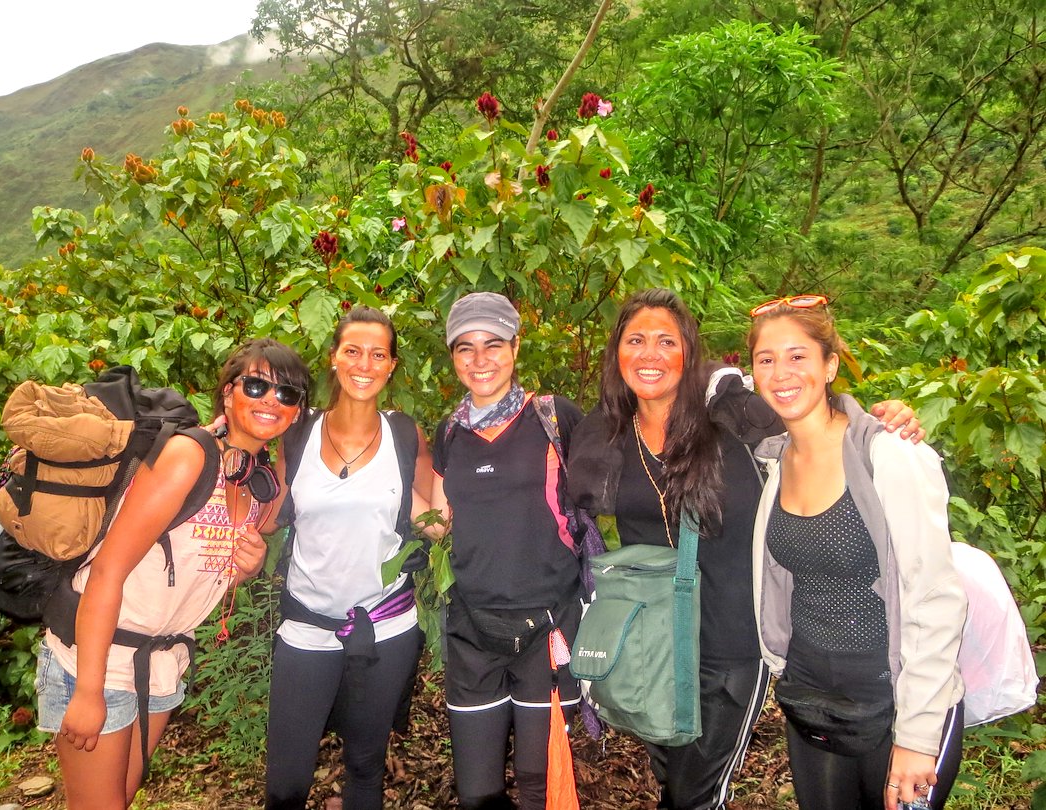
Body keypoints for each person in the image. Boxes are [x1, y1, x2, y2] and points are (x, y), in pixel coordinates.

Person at [567, 288, 922, 810]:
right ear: (616, 351)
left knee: (694, 795)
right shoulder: (606, 432)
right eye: (635, 340)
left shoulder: (737, 418)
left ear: (689, 351)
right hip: (653, 643)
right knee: (672, 783)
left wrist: (886, 420)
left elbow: (818, 424)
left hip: (732, 643)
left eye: (666, 341)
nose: (649, 354)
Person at [36, 338, 310, 810]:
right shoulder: (189, 455)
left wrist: (250, 566)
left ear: (298, 411)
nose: (271, 400)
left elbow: (195, 570)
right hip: (98, 658)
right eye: (257, 385)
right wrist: (86, 690)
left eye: (287, 394)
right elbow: (107, 572)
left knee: (120, 796)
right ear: (228, 392)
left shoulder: (259, 482)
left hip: (163, 662)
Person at [747, 295, 965, 810]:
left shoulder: (888, 454)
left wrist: (915, 736)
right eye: (766, 359)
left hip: (894, 699)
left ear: (830, 365)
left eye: (798, 356)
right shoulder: (774, 463)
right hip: (811, 698)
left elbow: (935, 598)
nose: (782, 372)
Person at [263, 306, 433, 810]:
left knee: (365, 767)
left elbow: (433, 515)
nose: (364, 363)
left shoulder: (406, 435)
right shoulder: (298, 433)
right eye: (352, 350)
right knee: (286, 779)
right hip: (307, 626)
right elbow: (271, 514)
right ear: (334, 357)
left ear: (391, 366)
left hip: (385, 628)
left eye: (377, 354)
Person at [429, 291, 585, 810]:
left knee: (540, 785)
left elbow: (616, 474)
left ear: (515, 348)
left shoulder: (554, 418)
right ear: (452, 357)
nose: (480, 360)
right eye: (465, 348)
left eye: (493, 345)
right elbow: (436, 517)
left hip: (547, 624)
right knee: (478, 789)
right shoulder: (449, 432)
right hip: (472, 628)